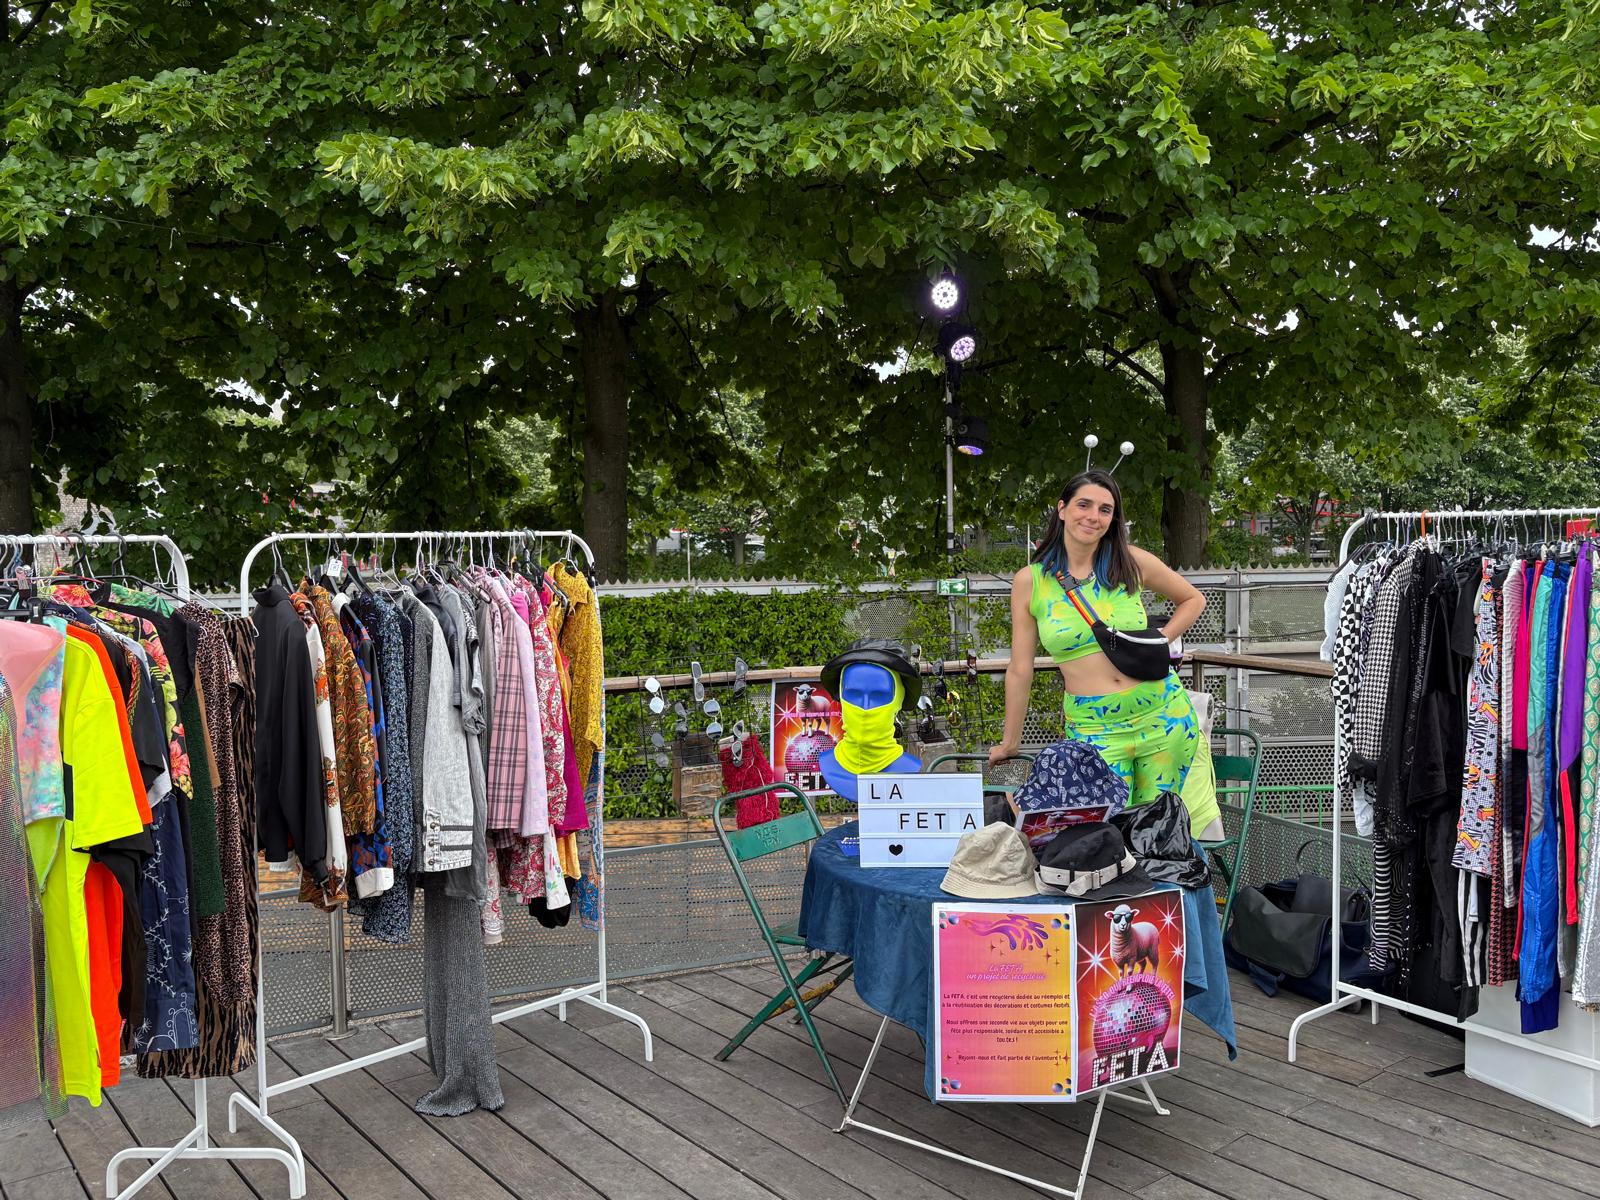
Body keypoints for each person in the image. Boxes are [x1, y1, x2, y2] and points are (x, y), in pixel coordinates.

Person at [988, 469, 1207, 809]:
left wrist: (1161, 638)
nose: (1094, 516)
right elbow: (1020, 668)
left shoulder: (1130, 562)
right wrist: (1010, 742)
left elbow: (1193, 600)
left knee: (1157, 832)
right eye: (1084, 505)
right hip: (1094, 726)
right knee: (1104, 836)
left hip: (1164, 716)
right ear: (1062, 509)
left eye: (1105, 510)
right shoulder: (1031, 581)